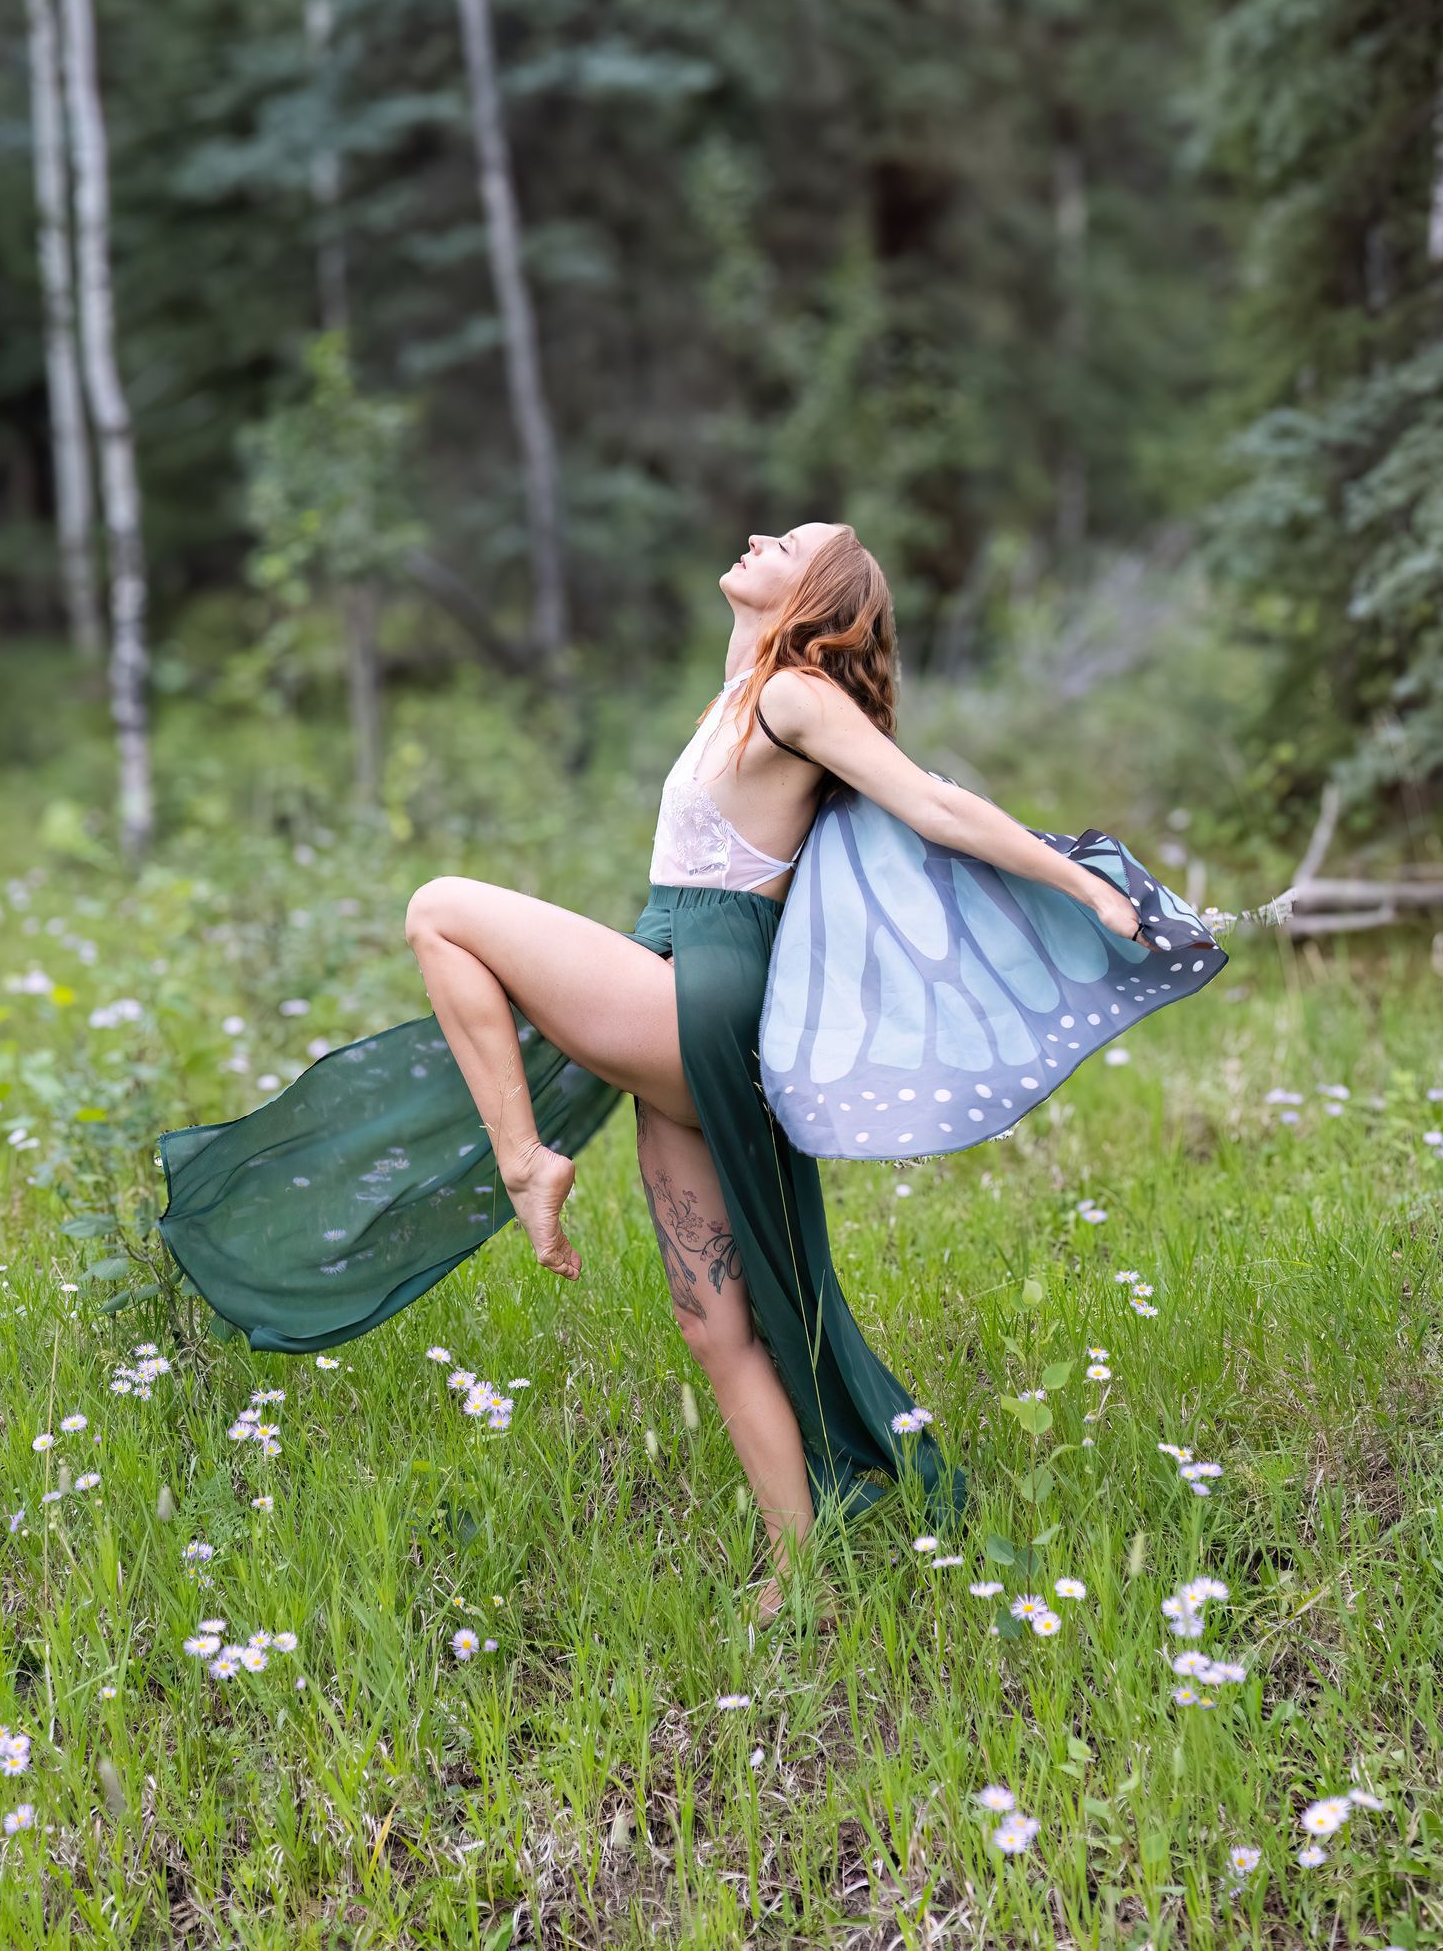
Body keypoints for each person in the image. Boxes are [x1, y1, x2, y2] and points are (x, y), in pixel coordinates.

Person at [158, 523, 1204, 1623]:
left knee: (441, 909)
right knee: (718, 1327)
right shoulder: (741, 684)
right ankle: (801, 1575)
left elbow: (930, 803)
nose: (760, 535)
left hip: (700, 992)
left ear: (817, 597)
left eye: (789, 542)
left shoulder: (793, 695)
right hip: (683, 995)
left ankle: (526, 1162)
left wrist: (1085, 888)